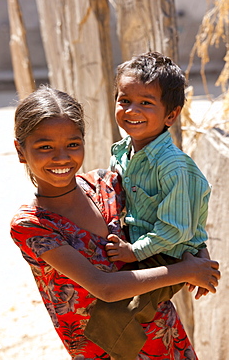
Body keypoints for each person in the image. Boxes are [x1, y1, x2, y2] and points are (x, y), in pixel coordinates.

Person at [10, 85, 220, 360]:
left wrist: (196, 251)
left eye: (73, 144)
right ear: (21, 151)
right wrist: (186, 271)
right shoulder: (32, 225)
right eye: (45, 147)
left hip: (163, 335)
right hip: (106, 351)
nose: (61, 157)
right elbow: (104, 287)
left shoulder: (107, 186)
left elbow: (170, 215)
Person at [85, 52, 215, 357]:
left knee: (116, 320)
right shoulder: (123, 151)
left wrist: (134, 251)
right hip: (143, 246)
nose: (132, 110)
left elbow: (176, 229)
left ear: (171, 115)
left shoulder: (172, 167)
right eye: (124, 100)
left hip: (167, 255)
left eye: (145, 103)